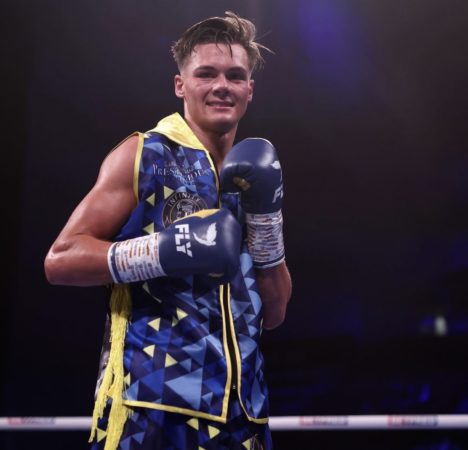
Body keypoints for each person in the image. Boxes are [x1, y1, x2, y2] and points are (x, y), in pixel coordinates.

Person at [44, 11, 292, 450]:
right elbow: (60, 260)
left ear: (249, 90)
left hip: (243, 414)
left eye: (235, 76)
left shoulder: (250, 177)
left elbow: (273, 312)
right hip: (152, 405)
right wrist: (162, 251)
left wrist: (267, 221)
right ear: (181, 85)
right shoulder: (145, 154)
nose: (222, 85)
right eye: (206, 74)